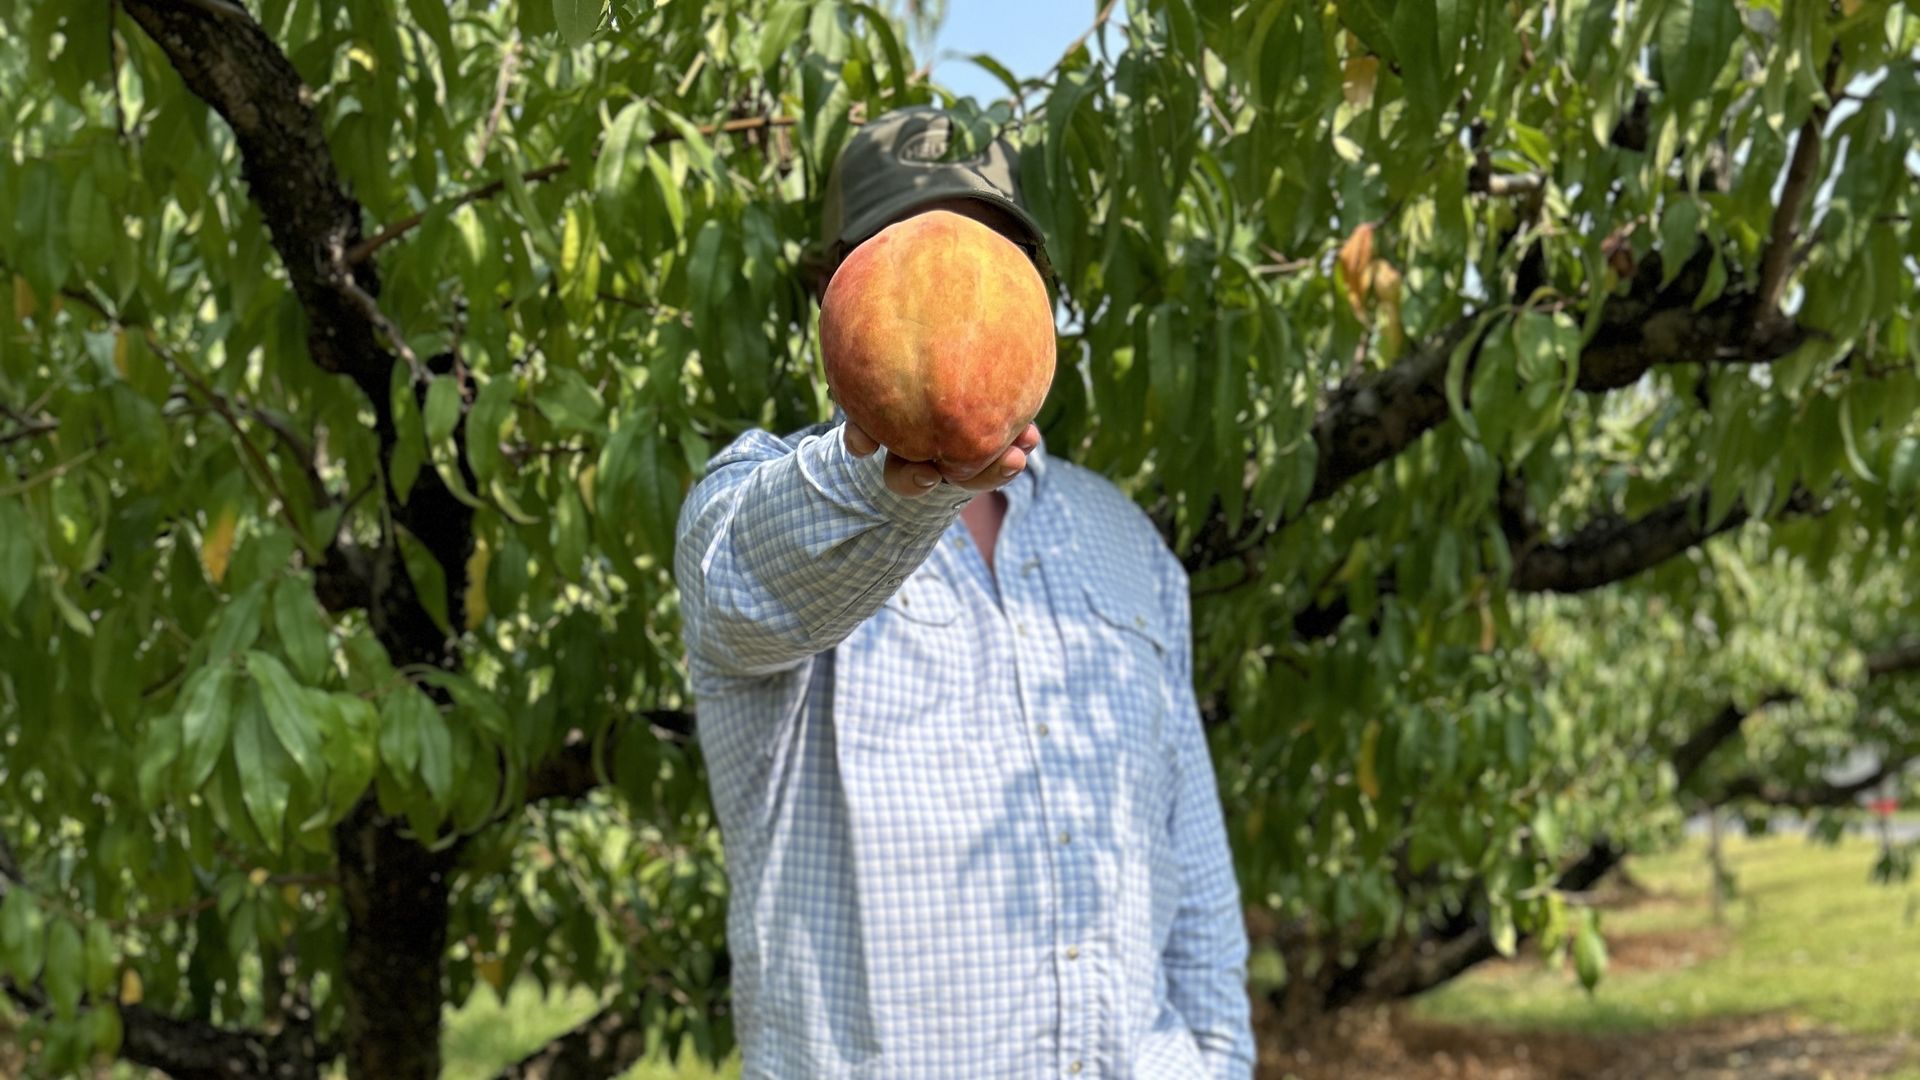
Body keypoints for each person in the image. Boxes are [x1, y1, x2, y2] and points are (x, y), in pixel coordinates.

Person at [674, 106, 1255, 1079]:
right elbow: (746, 587)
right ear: (831, 294)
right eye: (901, 252)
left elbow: (1187, 850)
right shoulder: (760, 506)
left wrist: (1215, 1057)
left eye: (989, 254)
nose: (950, 284)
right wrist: (890, 483)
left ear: (1040, 296)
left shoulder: (1122, 541)